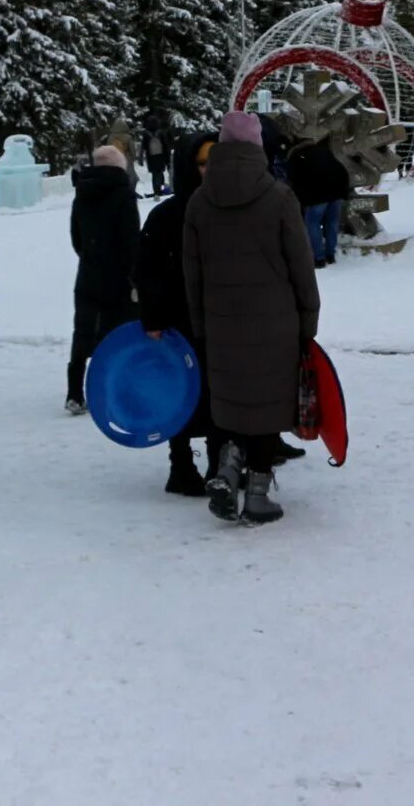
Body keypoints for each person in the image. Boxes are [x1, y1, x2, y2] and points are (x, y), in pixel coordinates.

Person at [184, 112, 320, 526]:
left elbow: (193, 273)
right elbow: (302, 266)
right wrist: (308, 322)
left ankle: (228, 465)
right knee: (265, 407)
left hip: (222, 322)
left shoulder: (198, 201)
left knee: (233, 402)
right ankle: (257, 495)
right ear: (258, 147)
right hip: (275, 324)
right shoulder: (279, 198)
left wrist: (201, 325)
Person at [135, 132, 228, 497]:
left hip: (221, 321)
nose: (210, 171)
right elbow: (146, 270)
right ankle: (181, 465)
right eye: (203, 164)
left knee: (220, 394)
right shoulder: (166, 215)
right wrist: (154, 318)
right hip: (179, 324)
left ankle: (220, 463)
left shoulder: (230, 209)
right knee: (180, 395)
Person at [66, 144, 140, 415]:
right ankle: (117, 388)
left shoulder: (82, 194)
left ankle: (75, 391)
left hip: (88, 273)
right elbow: (131, 239)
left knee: (84, 330)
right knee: (121, 333)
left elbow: (76, 238)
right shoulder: (124, 194)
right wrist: (134, 275)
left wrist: (90, 256)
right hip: (119, 277)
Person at [287, 136, 351, 268]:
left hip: (317, 193)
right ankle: (330, 255)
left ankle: (318, 258)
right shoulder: (323, 150)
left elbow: (295, 181)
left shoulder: (296, 156)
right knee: (332, 221)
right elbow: (340, 168)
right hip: (337, 188)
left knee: (312, 223)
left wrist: (301, 201)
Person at [141, 109, 172, 198]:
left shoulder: (146, 134)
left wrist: (141, 158)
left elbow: (143, 147)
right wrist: (168, 160)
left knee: (155, 175)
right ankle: (158, 191)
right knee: (159, 173)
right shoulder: (161, 133)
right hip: (161, 157)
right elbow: (166, 147)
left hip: (151, 158)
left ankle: (157, 190)